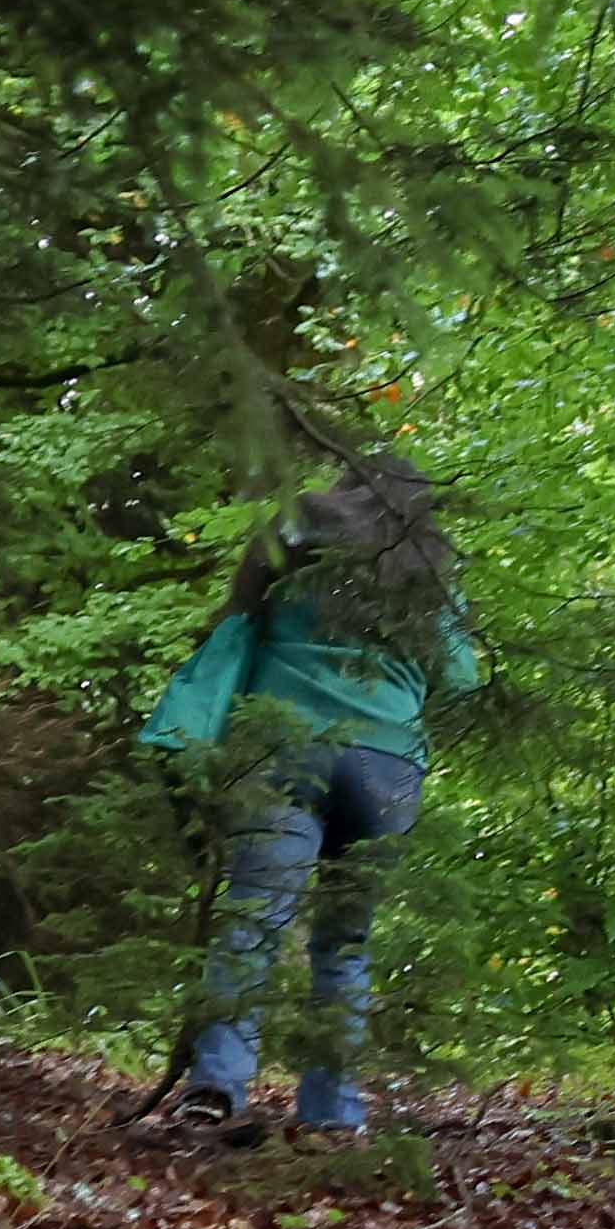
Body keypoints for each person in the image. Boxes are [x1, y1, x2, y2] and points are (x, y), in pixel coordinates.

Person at [136, 453, 479, 1137]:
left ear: (346, 486)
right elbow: (463, 677)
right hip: (387, 769)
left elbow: (237, 622)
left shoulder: (295, 534)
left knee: (253, 923)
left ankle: (216, 1091)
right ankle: (333, 1114)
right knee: (345, 944)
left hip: (284, 745)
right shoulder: (432, 571)